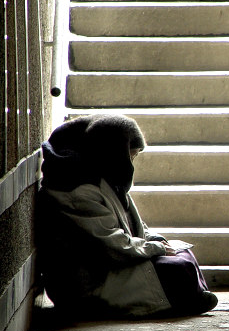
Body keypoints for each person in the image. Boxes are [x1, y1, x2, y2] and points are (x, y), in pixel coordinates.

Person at [36, 114, 217, 318]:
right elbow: (113, 245)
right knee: (176, 268)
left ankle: (191, 296)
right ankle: (186, 300)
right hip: (93, 280)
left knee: (183, 255)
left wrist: (156, 240)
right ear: (114, 153)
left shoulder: (103, 178)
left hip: (115, 264)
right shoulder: (76, 192)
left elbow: (133, 224)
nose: (131, 163)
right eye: (130, 157)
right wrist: (155, 248)